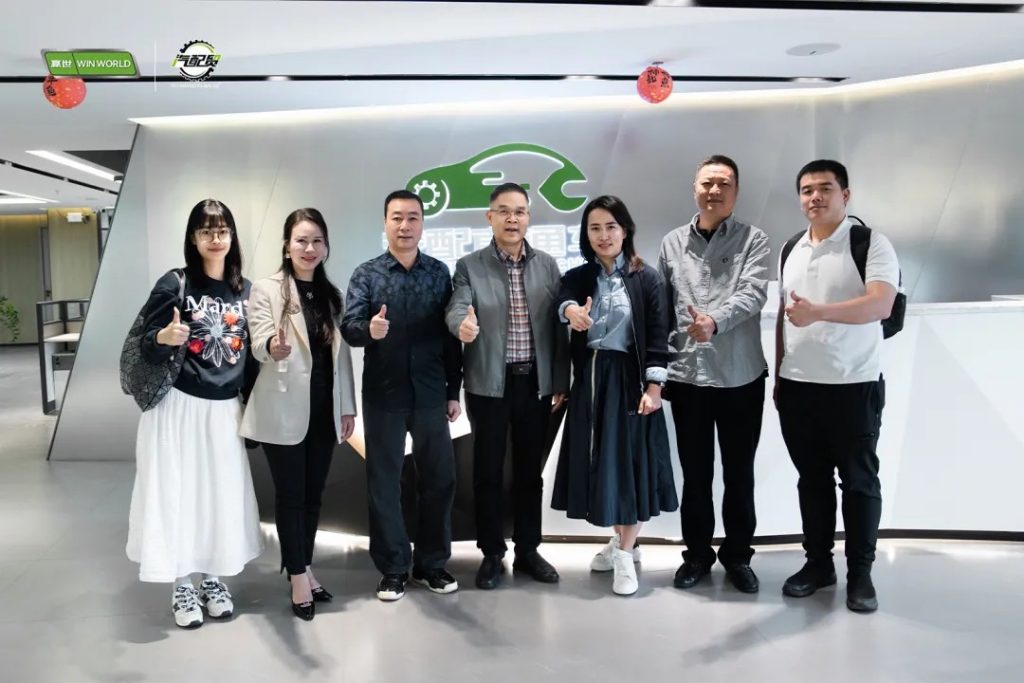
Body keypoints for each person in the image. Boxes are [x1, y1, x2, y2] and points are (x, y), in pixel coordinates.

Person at [126, 199, 263, 629]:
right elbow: (143, 343)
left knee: (218, 496)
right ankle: (181, 582)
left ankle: (212, 577)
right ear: (193, 237)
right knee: (177, 494)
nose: (215, 239)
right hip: (178, 407)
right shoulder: (176, 282)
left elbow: (251, 358)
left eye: (222, 230)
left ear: (232, 236)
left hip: (225, 411)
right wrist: (162, 338)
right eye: (206, 231)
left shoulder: (245, 289)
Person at [776, 160, 899, 613]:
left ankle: (860, 574)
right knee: (812, 482)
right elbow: (784, 315)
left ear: (845, 195)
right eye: (807, 190)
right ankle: (818, 564)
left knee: (859, 482)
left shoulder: (870, 243)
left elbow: (880, 304)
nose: (815, 197)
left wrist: (819, 312)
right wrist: (780, 372)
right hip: (798, 386)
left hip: (853, 384)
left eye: (825, 188)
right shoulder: (790, 248)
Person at [551, 195, 678, 596]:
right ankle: (623, 542)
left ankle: (624, 553)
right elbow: (562, 300)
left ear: (625, 230)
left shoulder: (647, 279)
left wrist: (654, 388)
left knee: (630, 466)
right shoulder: (579, 276)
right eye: (595, 228)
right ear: (586, 235)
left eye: (611, 226)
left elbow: (659, 337)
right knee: (602, 465)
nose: (603, 235)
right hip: (591, 380)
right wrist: (571, 312)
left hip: (630, 382)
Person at [445, 182, 569, 590]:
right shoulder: (470, 265)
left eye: (519, 211)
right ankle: (492, 552)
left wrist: (559, 380)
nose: (512, 219)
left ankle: (528, 549)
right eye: (503, 211)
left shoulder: (547, 265)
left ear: (528, 218)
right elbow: (458, 306)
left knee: (530, 472)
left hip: (535, 384)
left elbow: (558, 327)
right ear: (490, 217)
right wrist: (462, 325)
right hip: (488, 385)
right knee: (488, 471)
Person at [341, 190, 463, 602]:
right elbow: (350, 327)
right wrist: (369, 331)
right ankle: (393, 568)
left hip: (430, 394)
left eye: (413, 218)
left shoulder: (439, 273)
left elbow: (451, 338)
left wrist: (453, 391)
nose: (405, 225)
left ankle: (432, 564)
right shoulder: (367, 274)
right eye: (397, 217)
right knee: (384, 482)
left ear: (422, 224)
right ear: (385, 222)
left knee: (439, 480)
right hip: (384, 395)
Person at [658, 155, 770, 594]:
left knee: (739, 474)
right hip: (688, 379)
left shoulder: (753, 240)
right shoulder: (671, 243)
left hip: (740, 377)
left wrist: (714, 321)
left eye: (724, 183)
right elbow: (662, 308)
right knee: (696, 475)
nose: (714, 190)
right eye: (707, 183)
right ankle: (697, 556)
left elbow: (753, 293)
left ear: (735, 192)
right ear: (695, 189)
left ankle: (738, 557)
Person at [240, 208, 357, 621]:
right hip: (283, 408)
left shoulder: (331, 294)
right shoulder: (267, 289)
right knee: (291, 496)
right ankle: (297, 577)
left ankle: (304, 566)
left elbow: (341, 358)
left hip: (325, 409)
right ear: (287, 246)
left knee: (313, 496)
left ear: (326, 247)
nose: (309, 248)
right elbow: (257, 340)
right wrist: (272, 348)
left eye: (317, 241)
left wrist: (347, 407)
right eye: (301, 240)